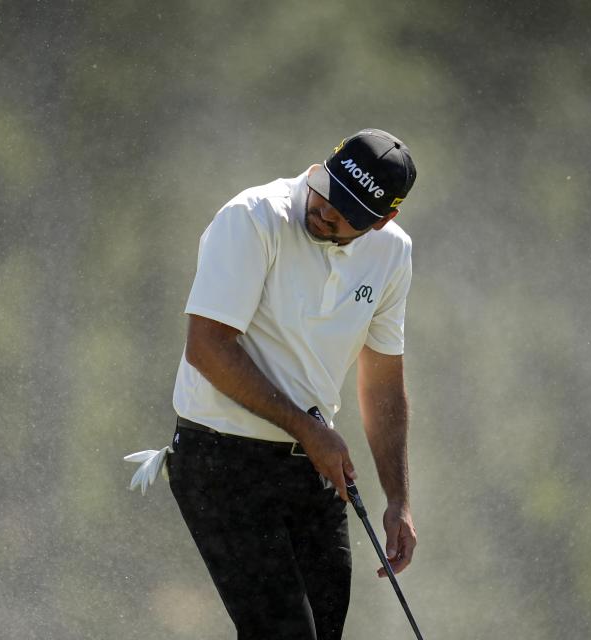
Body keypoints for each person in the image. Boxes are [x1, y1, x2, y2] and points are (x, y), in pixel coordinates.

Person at [165, 129, 417, 639]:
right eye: (329, 192)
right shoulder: (253, 217)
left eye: (348, 213)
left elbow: (384, 384)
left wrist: (398, 499)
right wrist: (306, 428)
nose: (327, 211)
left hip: (311, 471)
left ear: (384, 219)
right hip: (220, 460)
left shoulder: (392, 254)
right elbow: (208, 348)